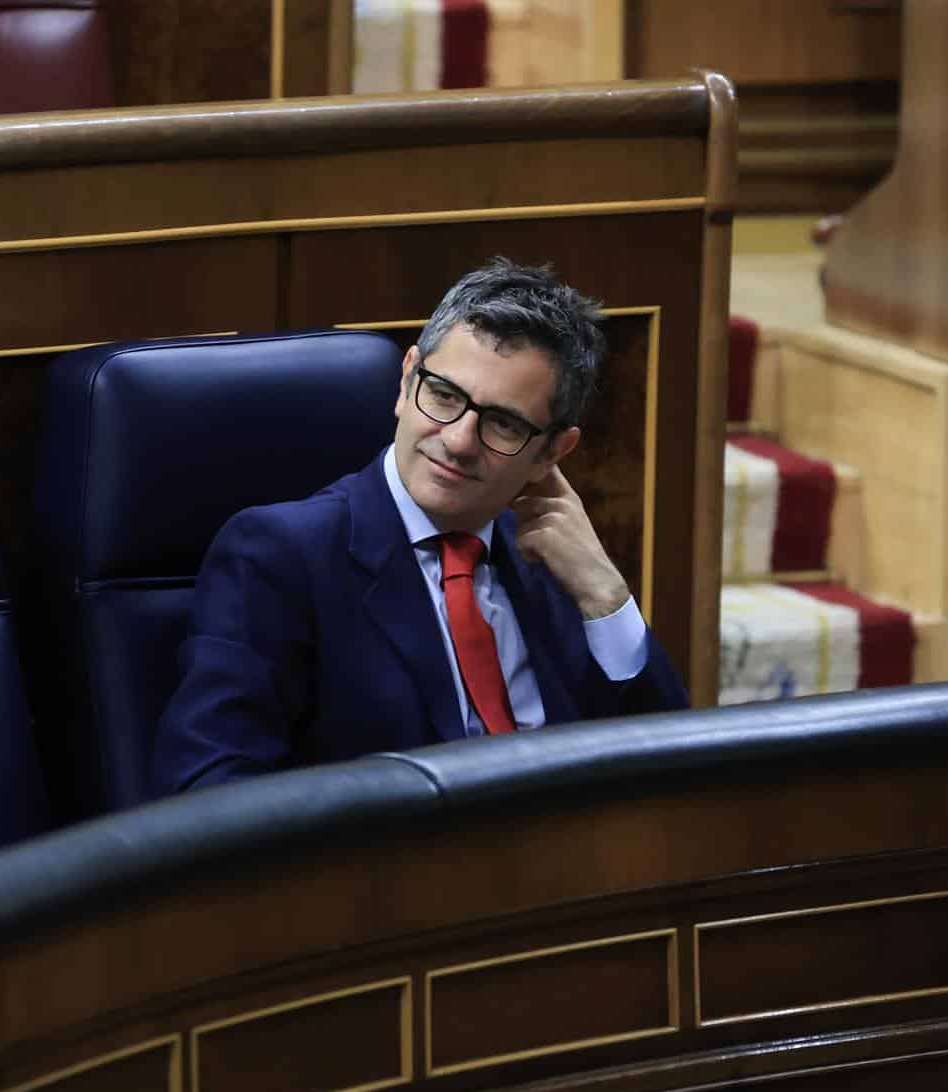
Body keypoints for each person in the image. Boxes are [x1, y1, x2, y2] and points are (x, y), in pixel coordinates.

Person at [152, 258, 688, 795]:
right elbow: (208, 792)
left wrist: (607, 597)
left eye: (502, 423)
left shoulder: (552, 566)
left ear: (552, 451)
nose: (457, 440)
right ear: (408, 380)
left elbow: (671, 782)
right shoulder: (280, 558)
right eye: (445, 395)